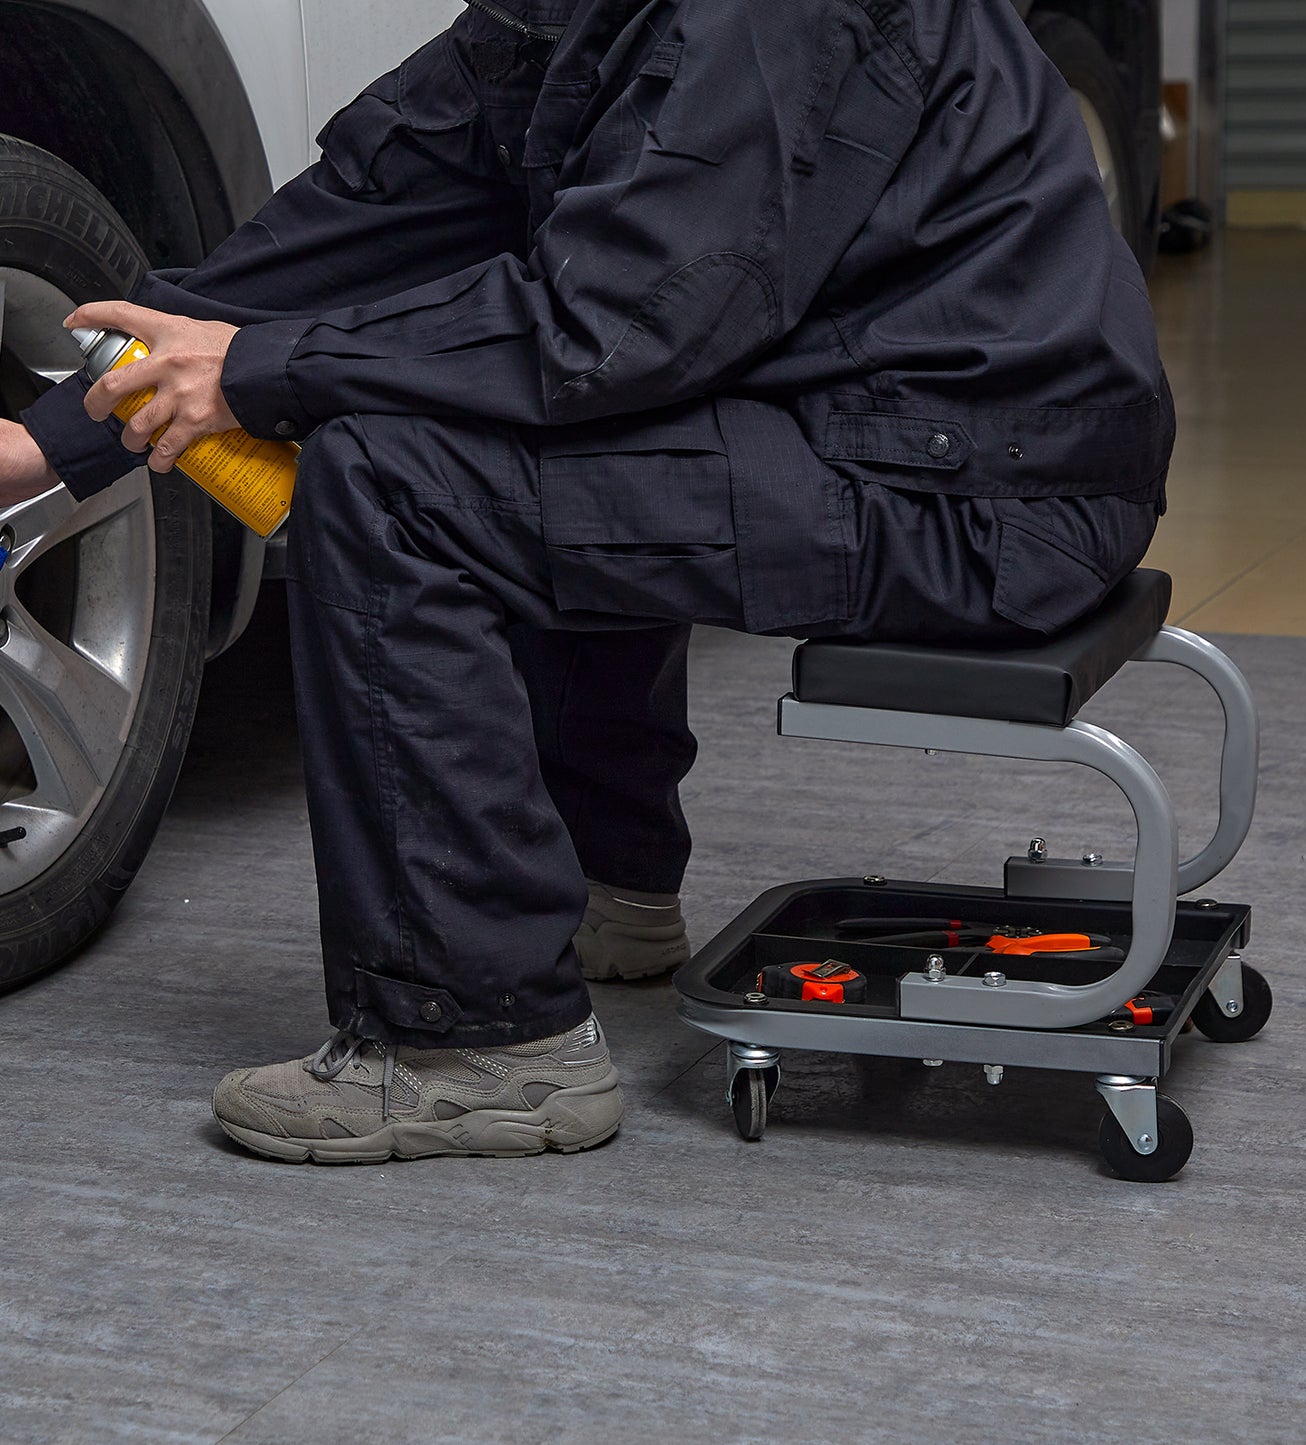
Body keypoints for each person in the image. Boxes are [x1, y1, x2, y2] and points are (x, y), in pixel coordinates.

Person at [0, 0, 1174, 1163]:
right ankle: (608, 879)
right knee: (512, 429)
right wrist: (52, 443)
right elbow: (371, 208)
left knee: (401, 473)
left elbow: (614, 328)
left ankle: (478, 1045)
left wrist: (267, 372)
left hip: (983, 485)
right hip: (889, 421)